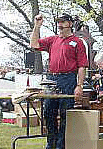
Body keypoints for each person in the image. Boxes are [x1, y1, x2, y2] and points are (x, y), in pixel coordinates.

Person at [30, 13, 88, 149]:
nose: (60, 25)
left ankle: (61, 146)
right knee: (48, 112)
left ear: (70, 24)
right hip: (52, 79)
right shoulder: (53, 40)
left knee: (65, 114)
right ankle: (51, 144)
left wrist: (79, 85)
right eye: (58, 22)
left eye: (63, 22)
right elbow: (34, 44)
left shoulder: (78, 42)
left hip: (68, 79)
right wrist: (37, 26)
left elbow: (82, 66)